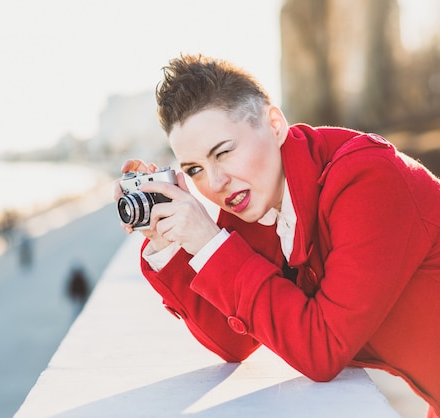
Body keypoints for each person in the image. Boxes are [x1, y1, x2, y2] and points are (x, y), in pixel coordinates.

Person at [115, 54, 440, 417]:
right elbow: (235, 340)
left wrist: (211, 243)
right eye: (195, 170)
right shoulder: (255, 201)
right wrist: (166, 241)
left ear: (274, 124)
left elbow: (323, 349)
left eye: (223, 152)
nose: (216, 183)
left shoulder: (368, 178)